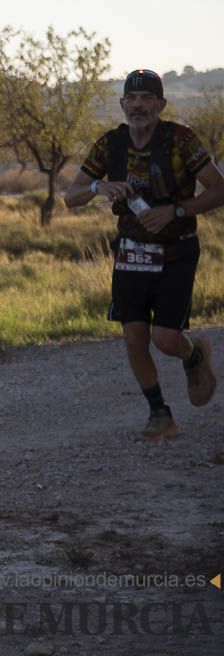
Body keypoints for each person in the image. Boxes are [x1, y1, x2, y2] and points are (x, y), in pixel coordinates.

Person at [64, 69, 223, 440]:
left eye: (147, 98)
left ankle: (194, 355)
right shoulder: (109, 145)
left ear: (161, 105)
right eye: (131, 99)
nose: (138, 105)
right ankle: (160, 414)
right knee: (134, 337)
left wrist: (176, 210)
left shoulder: (181, 140)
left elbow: (219, 189)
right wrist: (100, 186)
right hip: (131, 252)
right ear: (122, 104)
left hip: (176, 250)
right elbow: (71, 197)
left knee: (165, 339)